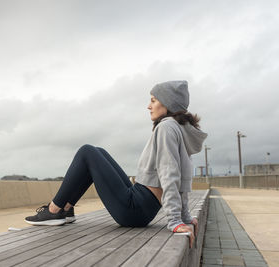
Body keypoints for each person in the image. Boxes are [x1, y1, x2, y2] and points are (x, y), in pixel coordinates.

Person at [24, 80, 208, 248]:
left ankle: (54, 209)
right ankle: (66, 209)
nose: (148, 106)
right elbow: (183, 177)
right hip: (141, 204)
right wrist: (184, 216)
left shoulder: (166, 128)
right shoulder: (178, 129)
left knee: (86, 151)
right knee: (98, 152)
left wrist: (176, 220)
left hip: (134, 210)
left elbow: (171, 175)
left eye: (153, 100)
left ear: (167, 104)